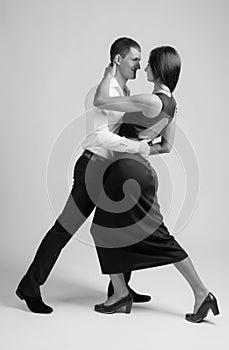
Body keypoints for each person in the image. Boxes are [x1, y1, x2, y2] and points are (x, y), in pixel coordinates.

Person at [15, 37, 153, 314]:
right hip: (92, 169)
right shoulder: (103, 91)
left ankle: (120, 289)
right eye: (135, 59)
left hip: (111, 170)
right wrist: (137, 147)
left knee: (122, 227)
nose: (140, 65)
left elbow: (126, 128)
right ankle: (30, 286)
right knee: (64, 229)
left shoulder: (123, 91)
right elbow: (100, 136)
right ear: (118, 59)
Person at [91, 46, 220, 323]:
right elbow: (166, 146)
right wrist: (141, 147)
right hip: (141, 173)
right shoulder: (172, 104)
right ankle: (194, 294)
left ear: (159, 69)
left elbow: (101, 101)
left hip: (126, 173)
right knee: (144, 233)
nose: (143, 68)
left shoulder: (152, 101)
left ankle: (123, 295)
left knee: (106, 231)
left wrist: (108, 74)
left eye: (148, 64)